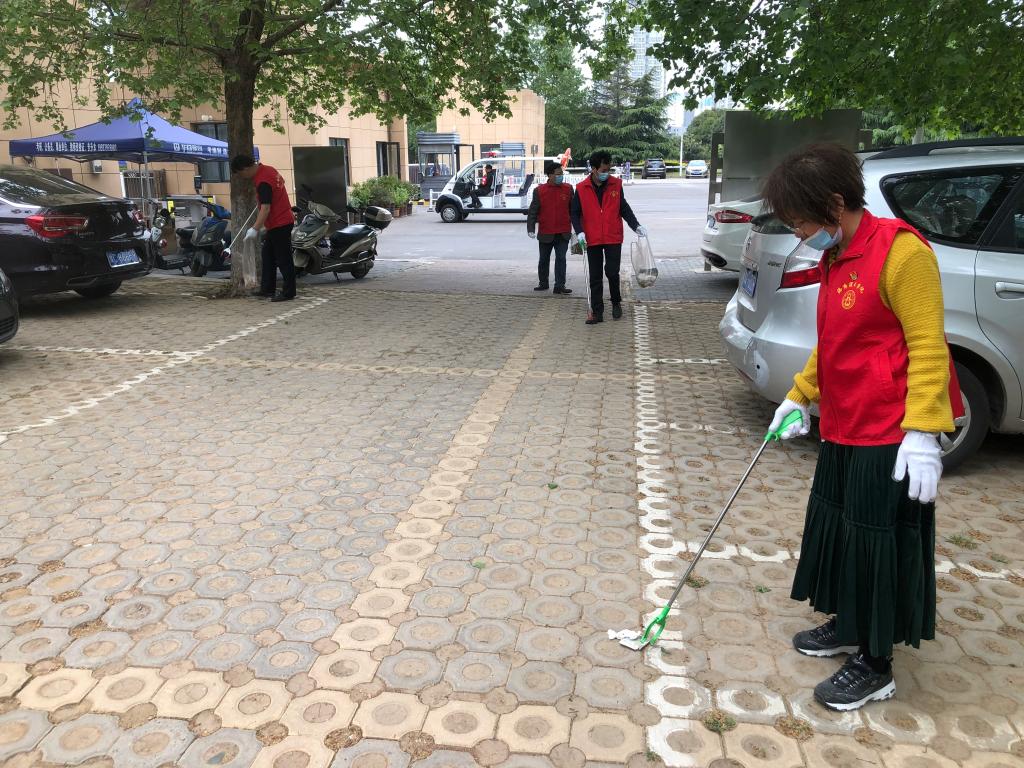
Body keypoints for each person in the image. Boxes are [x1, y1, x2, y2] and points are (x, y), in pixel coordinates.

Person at [762, 143, 963, 711]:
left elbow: (928, 346)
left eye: (801, 222)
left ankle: (876, 663)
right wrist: (800, 394)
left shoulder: (902, 253)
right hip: (845, 421)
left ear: (834, 203)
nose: (799, 234)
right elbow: (835, 342)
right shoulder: (838, 256)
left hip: (889, 431)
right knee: (841, 525)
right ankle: (849, 622)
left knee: (876, 538)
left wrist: (923, 431)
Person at [571, 149, 646, 324]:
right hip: (592, 237)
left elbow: (623, 208)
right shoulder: (581, 188)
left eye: (609, 169)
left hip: (613, 236)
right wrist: (580, 231)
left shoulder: (616, 184)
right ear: (594, 169)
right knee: (595, 276)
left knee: (612, 272)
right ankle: (597, 311)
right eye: (603, 170)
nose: (607, 173)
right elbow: (574, 213)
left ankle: (616, 302)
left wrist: (636, 225)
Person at [230, 154, 296, 302]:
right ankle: (267, 289)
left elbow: (266, 208)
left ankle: (289, 292)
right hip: (278, 222)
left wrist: (255, 229)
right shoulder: (269, 170)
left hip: (280, 222)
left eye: (240, 173)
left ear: (245, 168)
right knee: (268, 256)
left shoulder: (263, 181)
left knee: (283, 259)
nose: (242, 177)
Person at [526, 160, 574, 295]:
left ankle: (559, 285)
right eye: (558, 174)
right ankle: (543, 283)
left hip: (563, 232)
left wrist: (579, 229)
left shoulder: (568, 189)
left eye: (561, 174)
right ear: (550, 175)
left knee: (561, 259)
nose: (561, 176)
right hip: (546, 232)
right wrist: (530, 228)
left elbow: (574, 210)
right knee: (543, 259)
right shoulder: (539, 191)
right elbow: (533, 211)